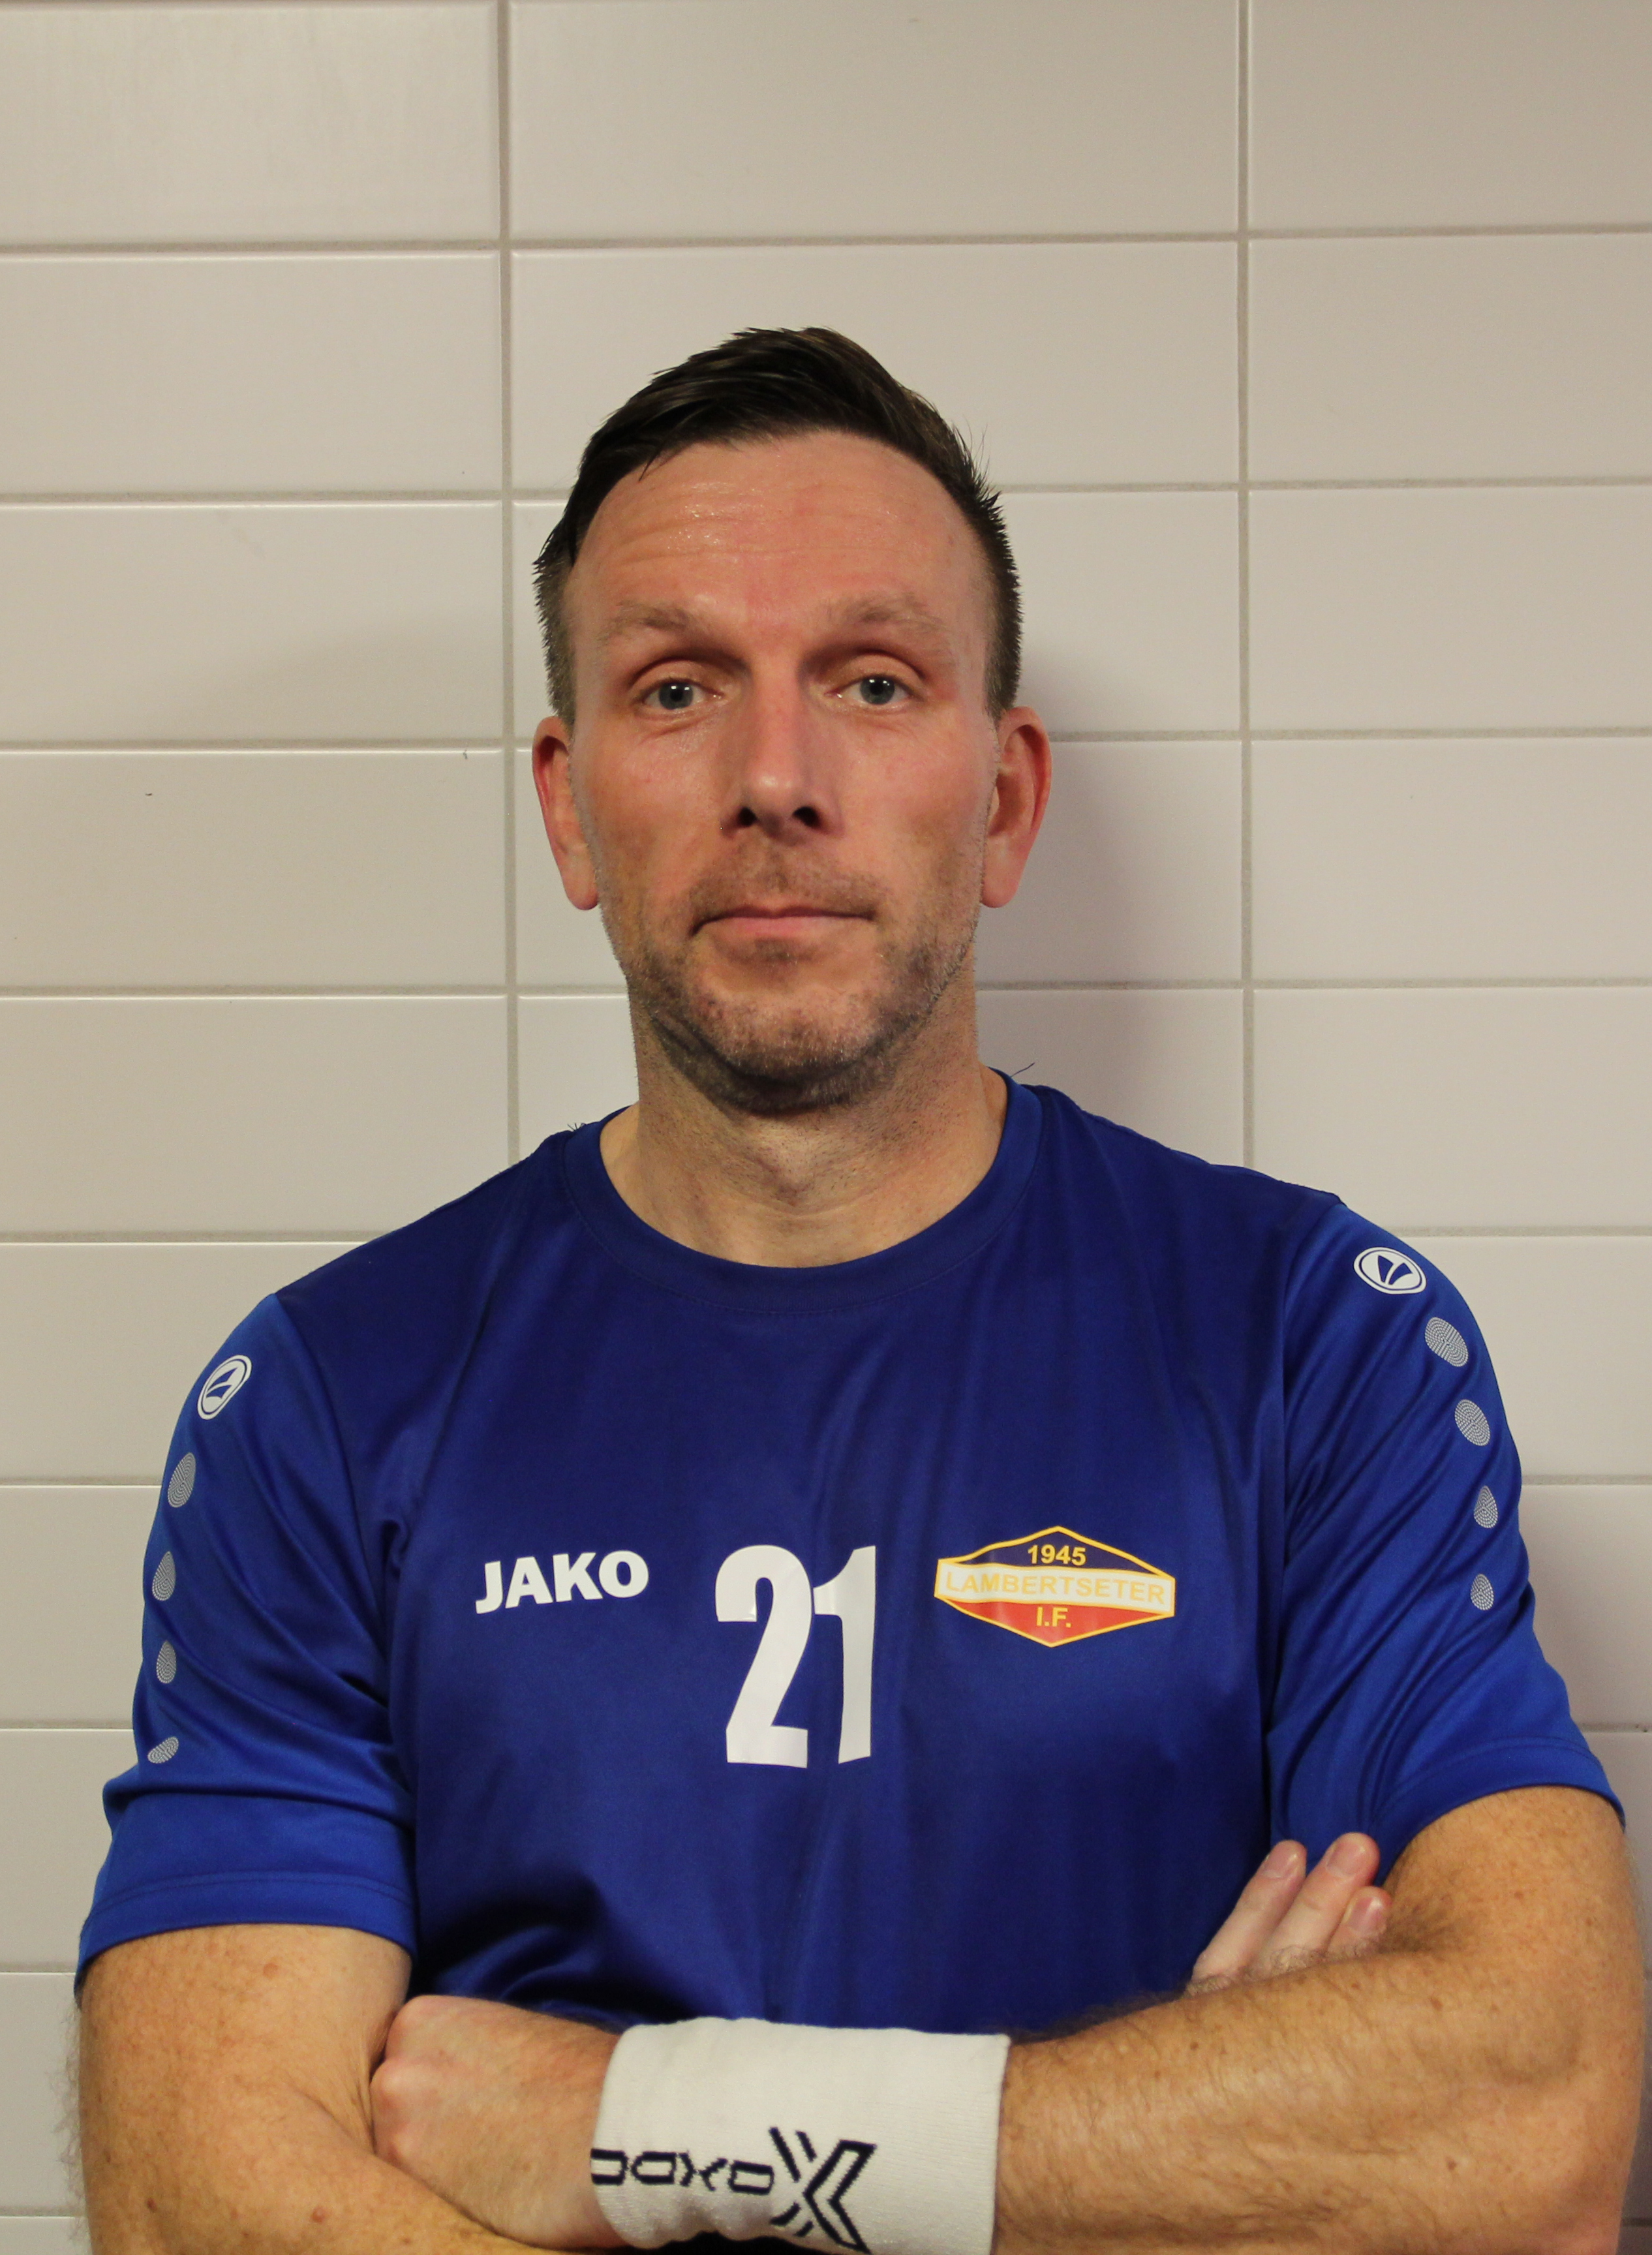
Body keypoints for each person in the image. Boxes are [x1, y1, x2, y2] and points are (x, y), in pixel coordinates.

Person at [78, 329, 1640, 2255]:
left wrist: (635, 2131)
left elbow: (1528, 2124)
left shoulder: (1313, 1341)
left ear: (1003, 799)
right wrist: (1197, 2152)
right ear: (568, 808)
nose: (774, 780)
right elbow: (196, 2200)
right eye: (676, 688)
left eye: (874, 682)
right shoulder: (331, 1401)